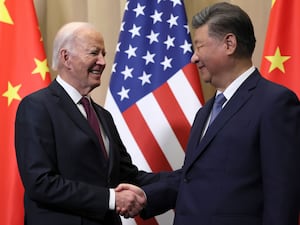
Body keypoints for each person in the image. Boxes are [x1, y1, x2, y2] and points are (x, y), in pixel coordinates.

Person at [117, 2, 300, 225]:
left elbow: (282, 196)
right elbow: (193, 177)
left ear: (229, 44)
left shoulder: (274, 103)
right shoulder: (205, 111)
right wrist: (146, 196)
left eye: (199, 46)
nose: (193, 57)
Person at [14, 22, 160, 225]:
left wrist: (185, 178)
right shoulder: (37, 107)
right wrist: (111, 199)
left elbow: (126, 176)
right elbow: (40, 183)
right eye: (94, 53)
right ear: (66, 58)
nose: (102, 61)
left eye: (104, 54)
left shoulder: (103, 116)